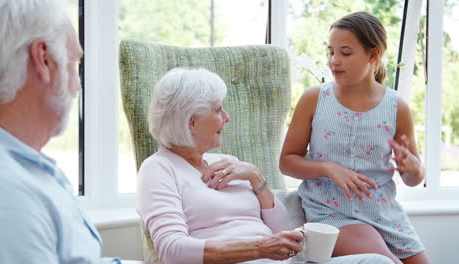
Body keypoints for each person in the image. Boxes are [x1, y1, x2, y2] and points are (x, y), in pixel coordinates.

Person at [136, 67, 395, 264]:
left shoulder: (228, 163)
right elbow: (172, 249)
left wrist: (257, 179)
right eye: (218, 109)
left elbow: (282, 230)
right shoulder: (158, 169)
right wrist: (260, 248)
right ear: (191, 121)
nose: (226, 117)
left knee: (376, 262)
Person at [280, 12, 430, 264]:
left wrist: (412, 167)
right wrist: (328, 168)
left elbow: (414, 178)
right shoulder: (314, 98)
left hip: (385, 214)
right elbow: (287, 161)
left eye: (345, 53)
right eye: (331, 52)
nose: (333, 61)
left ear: (373, 55)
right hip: (331, 211)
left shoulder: (397, 108)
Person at [0, 0, 120, 263]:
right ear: (44, 60)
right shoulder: (8, 197)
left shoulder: (27, 166)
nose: (77, 86)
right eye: (75, 64)